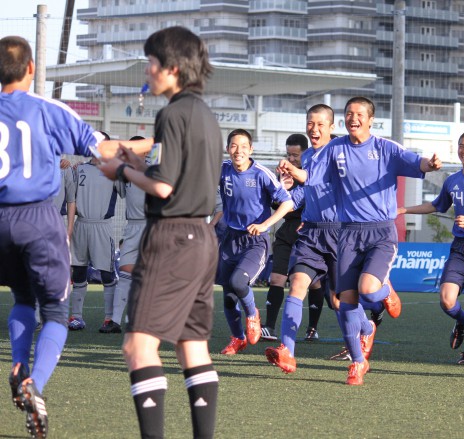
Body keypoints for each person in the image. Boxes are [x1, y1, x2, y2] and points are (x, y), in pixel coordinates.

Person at [98, 26, 223, 438]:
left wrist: (123, 169)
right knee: (192, 347)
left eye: (151, 62)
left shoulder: (171, 113)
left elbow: (166, 188)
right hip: (203, 239)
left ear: (172, 68)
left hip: (171, 239)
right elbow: (183, 179)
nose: (147, 70)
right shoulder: (205, 113)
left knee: (138, 346)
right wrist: (140, 162)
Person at [279, 97, 441, 385]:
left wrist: (430, 164)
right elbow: (312, 178)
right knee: (345, 301)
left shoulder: (385, 148)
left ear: (370, 120)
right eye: (349, 114)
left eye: (359, 114)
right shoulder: (334, 149)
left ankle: (385, 292)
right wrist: (294, 172)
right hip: (348, 234)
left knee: (367, 290)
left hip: (380, 232)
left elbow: (418, 163)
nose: (353, 118)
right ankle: (357, 362)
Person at [0, 35, 110, 438]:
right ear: (31, 68)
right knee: (57, 312)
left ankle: (17, 364)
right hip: (38, 217)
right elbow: (99, 147)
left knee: (22, 298)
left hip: (0, 220)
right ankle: (34, 384)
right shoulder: (46, 108)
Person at [398, 130, 464, 365]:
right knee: (447, 300)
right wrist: (404, 209)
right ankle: (462, 321)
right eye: (461, 146)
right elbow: (437, 205)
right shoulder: (452, 180)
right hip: (461, 248)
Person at [217, 129, 294, 355]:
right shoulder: (222, 169)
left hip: (254, 241)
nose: (238, 151)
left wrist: (264, 225)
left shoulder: (261, 173)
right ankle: (237, 338)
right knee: (229, 297)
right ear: (227, 148)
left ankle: (253, 315)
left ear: (251, 149)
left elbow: (287, 203)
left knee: (239, 283)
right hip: (230, 239)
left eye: (243, 146)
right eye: (233, 145)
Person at [260, 133, 326, 342]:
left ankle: (312, 329)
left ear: (305, 153)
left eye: (295, 155)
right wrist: (282, 189)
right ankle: (270, 327)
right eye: (289, 155)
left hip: (309, 233)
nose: (292, 159)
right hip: (287, 231)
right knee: (276, 278)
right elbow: (276, 205)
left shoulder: (313, 173)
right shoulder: (283, 174)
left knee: (313, 283)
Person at [68, 132, 122, 332]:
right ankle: (76, 317)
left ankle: (109, 318)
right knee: (79, 271)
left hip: (102, 226)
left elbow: (129, 191)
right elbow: (70, 199)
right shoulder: (78, 169)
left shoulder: (114, 171)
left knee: (107, 273)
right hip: (81, 225)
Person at [110, 136, 148, 333]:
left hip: (153, 227)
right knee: (125, 275)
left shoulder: (156, 170)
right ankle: (115, 321)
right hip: (132, 226)